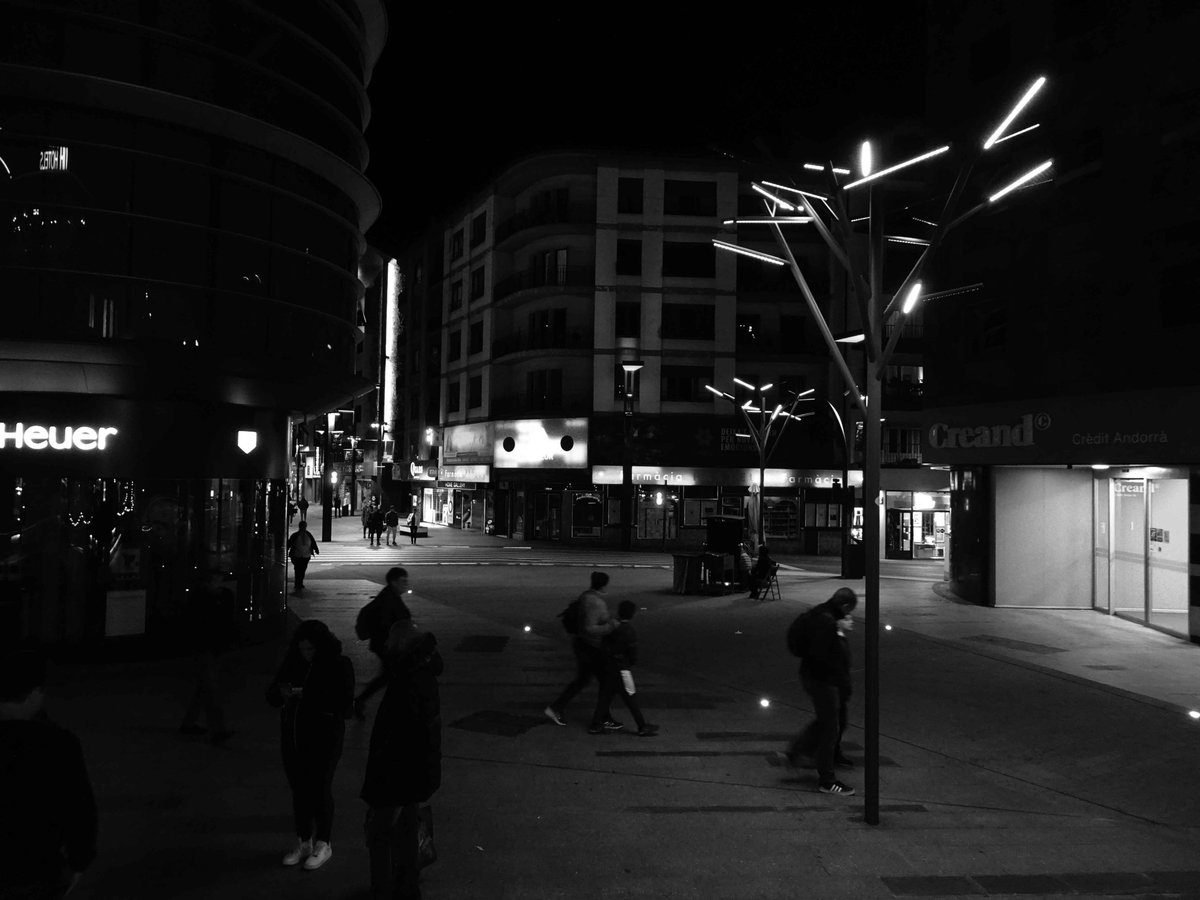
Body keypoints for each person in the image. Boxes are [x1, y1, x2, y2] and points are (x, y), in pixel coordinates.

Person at [0, 648, 98, 898]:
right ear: (34, 693)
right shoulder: (58, 743)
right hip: (37, 868)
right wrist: (80, 859)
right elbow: (79, 807)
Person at [361, 619, 442, 900]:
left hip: (398, 775)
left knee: (381, 835)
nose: (384, 647)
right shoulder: (419, 672)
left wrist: (384, 784)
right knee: (406, 831)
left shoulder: (410, 679)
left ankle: (384, 889)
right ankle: (407, 886)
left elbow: (400, 736)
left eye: (389, 643)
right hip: (413, 772)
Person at [266, 619, 356, 870]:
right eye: (302, 648)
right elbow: (271, 695)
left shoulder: (339, 664)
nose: (306, 654)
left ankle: (324, 842)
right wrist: (281, 694)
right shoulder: (292, 662)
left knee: (320, 786)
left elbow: (345, 704)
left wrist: (309, 694)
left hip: (325, 737)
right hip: (294, 735)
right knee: (299, 789)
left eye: (311, 649)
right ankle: (303, 840)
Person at [782, 587, 858, 796]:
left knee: (833, 721)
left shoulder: (823, 613)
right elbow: (824, 656)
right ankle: (827, 779)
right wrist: (839, 634)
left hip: (821, 680)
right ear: (844, 605)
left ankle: (810, 753)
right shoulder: (827, 622)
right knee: (830, 727)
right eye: (849, 611)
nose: (850, 616)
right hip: (823, 682)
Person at [544, 571, 619, 729]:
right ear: (604, 584)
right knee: (603, 682)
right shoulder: (595, 602)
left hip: (584, 645)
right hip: (590, 647)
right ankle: (600, 719)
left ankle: (602, 716)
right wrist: (610, 626)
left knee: (586, 680)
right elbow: (589, 628)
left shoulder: (586, 596)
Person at [178, 569, 238, 744]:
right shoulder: (208, 599)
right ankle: (217, 729)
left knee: (205, 688)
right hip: (206, 648)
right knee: (210, 689)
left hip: (207, 648)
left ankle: (190, 723)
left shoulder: (205, 598)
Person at [352, 568, 414, 720]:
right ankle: (394, 710)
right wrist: (392, 643)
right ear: (393, 582)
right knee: (395, 677)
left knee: (389, 676)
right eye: (403, 581)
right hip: (387, 646)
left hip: (387, 645)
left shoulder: (391, 596)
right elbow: (385, 624)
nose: (406, 584)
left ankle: (361, 701)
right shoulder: (388, 599)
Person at [591, 600, 657, 737]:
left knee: (606, 697)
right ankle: (641, 726)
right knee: (630, 697)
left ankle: (596, 724)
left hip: (608, 666)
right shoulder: (629, 630)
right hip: (622, 668)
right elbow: (632, 653)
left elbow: (603, 644)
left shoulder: (612, 626)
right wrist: (630, 662)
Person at [287, 521, 320, 592]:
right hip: (297, 555)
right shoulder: (295, 535)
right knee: (298, 569)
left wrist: (316, 549)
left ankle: (300, 582)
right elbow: (290, 543)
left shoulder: (308, 534)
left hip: (305, 555)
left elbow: (313, 542)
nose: (304, 528)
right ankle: (298, 583)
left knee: (302, 569)